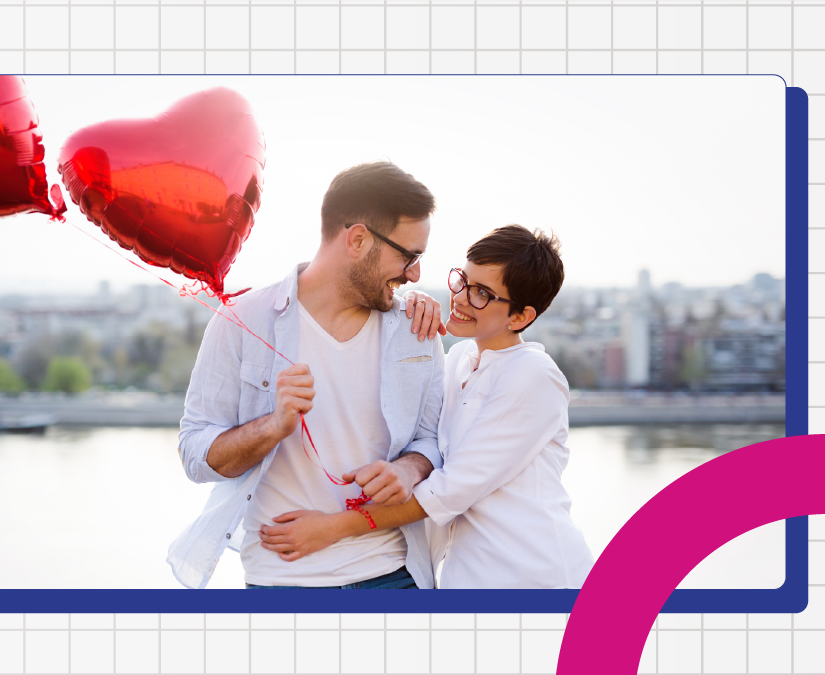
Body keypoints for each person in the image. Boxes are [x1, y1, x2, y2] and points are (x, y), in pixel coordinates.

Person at [257, 225, 594, 589]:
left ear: (520, 317)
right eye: (463, 280)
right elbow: (425, 432)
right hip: (468, 578)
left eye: (481, 293)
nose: (461, 298)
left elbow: (451, 489)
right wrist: (410, 302)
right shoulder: (461, 359)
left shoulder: (533, 375)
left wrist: (331, 528)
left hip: (536, 577)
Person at [168, 161, 450, 589]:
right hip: (280, 585)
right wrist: (274, 426)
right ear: (357, 239)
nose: (414, 274)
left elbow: (433, 440)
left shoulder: (418, 331)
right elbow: (194, 454)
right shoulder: (243, 321)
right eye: (408, 256)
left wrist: (410, 469)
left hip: (394, 578)